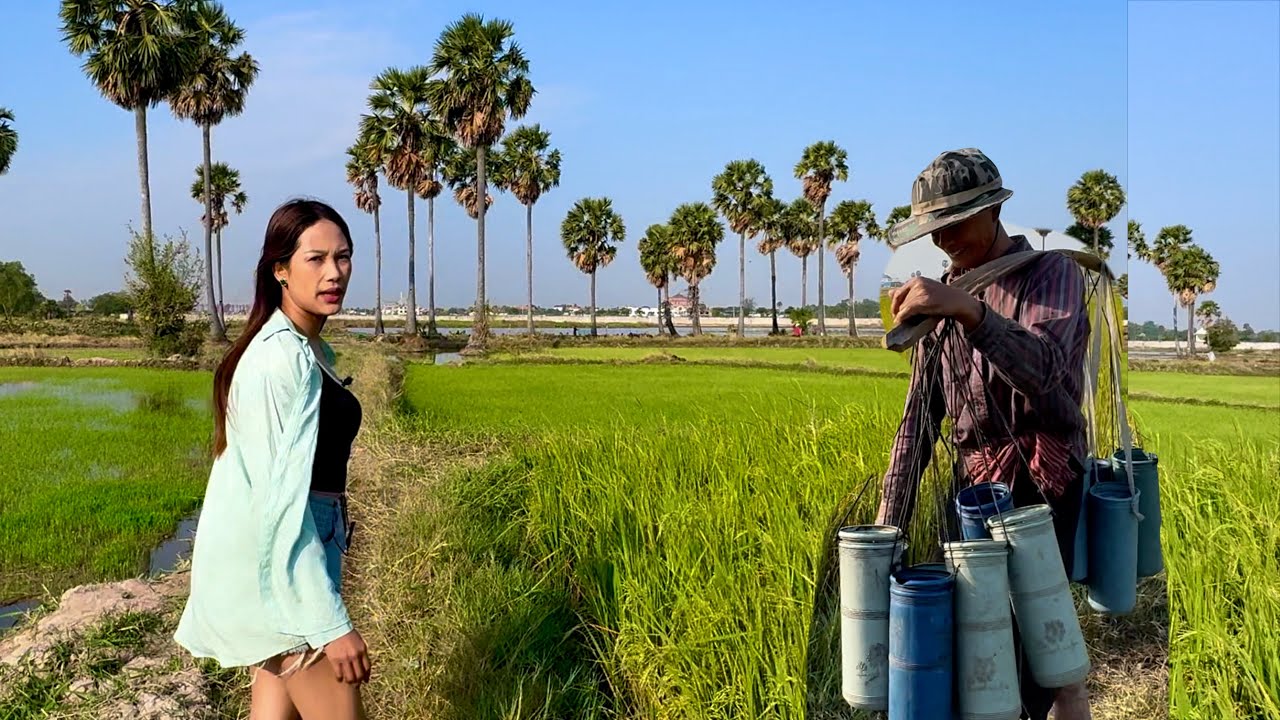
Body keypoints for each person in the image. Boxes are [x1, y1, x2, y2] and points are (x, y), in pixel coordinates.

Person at [873, 149, 1092, 720]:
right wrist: (887, 527)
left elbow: (1046, 371)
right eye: (935, 229)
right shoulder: (938, 300)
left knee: (1035, 655)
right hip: (974, 494)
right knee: (977, 647)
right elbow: (918, 422)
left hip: (1043, 490)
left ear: (993, 210)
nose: (945, 240)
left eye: (957, 223)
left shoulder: (1050, 274)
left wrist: (971, 312)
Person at [175, 199, 370, 720]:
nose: (334, 272)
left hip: (294, 562)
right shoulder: (279, 359)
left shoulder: (306, 350)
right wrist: (330, 625)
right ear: (280, 269)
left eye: (343, 257)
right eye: (316, 259)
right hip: (285, 575)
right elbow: (279, 505)